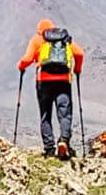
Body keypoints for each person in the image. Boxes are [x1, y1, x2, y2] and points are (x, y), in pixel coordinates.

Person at [16, 19, 84, 158]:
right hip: (63, 81)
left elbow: (27, 59)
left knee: (46, 115)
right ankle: (64, 140)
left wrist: (21, 66)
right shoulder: (64, 39)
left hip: (44, 82)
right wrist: (77, 69)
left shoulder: (37, 40)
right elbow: (79, 53)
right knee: (64, 113)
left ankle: (49, 148)